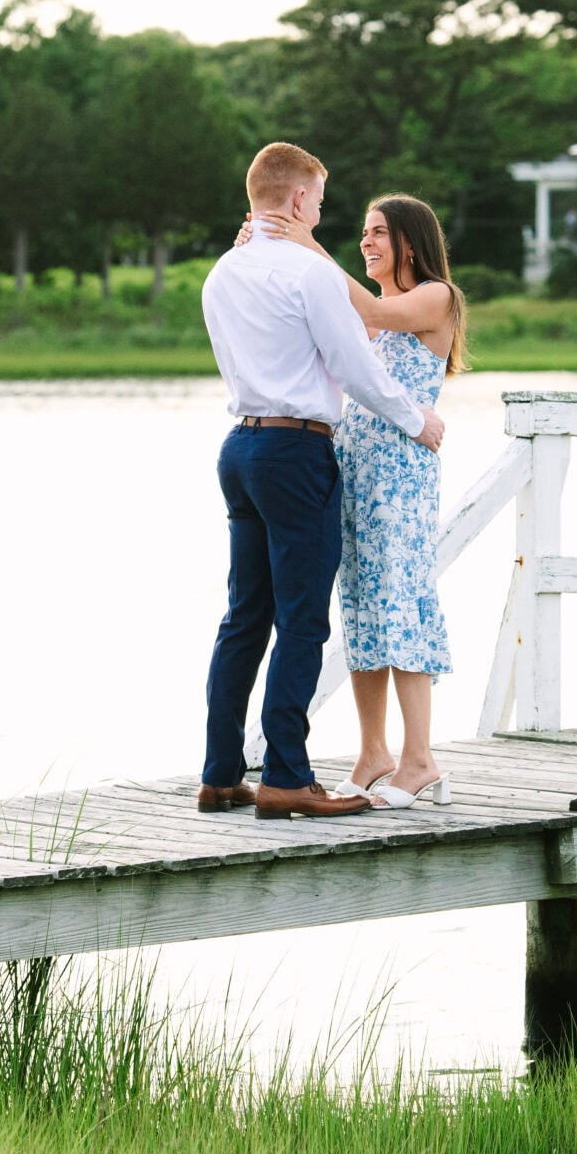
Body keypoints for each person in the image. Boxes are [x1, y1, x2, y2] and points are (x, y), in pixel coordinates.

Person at [199, 143, 444, 821]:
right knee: (302, 622)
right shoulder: (307, 276)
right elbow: (356, 369)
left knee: (243, 617)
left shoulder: (222, 272)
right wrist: (414, 419)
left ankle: (221, 775)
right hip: (296, 451)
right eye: (322, 202)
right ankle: (286, 776)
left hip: (240, 447)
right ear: (301, 200)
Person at [245, 193, 463, 811]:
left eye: (377, 234)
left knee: (401, 601)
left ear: (410, 243)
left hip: (400, 476)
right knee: (362, 608)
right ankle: (375, 753)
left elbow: (366, 305)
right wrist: (261, 249)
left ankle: (421, 760)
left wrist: (304, 243)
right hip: (352, 471)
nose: (364, 243)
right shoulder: (367, 315)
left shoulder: (435, 297)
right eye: (362, 233)